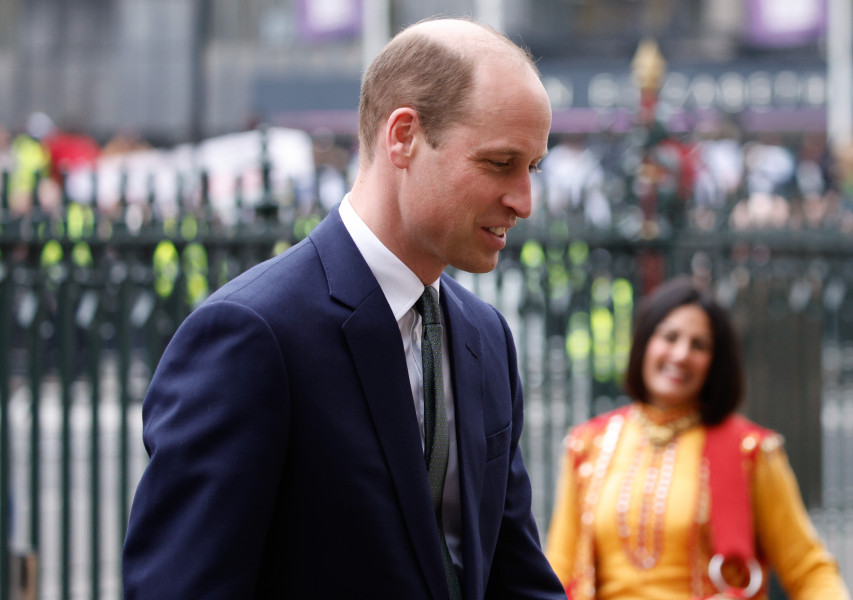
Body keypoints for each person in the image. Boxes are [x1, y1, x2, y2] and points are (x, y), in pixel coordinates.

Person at [122, 16, 565, 600]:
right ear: (402, 136)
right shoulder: (251, 335)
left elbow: (513, 575)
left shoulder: (486, 336)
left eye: (532, 167)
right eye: (499, 163)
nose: (524, 201)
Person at [545, 277, 849, 599]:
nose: (680, 354)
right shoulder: (589, 444)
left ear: (714, 363)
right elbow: (558, 569)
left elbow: (809, 569)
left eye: (699, 345)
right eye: (670, 337)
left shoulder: (750, 451)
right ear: (645, 341)